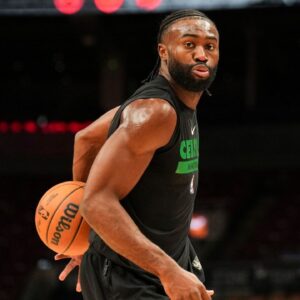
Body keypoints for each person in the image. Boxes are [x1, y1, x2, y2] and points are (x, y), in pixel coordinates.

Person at [55, 9, 219, 300]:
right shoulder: (156, 112)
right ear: (164, 51)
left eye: (210, 45)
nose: (202, 54)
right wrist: (89, 235)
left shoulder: (178, 104)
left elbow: (88, 138)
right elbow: (95, 202)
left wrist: (89, 238)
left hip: (162, 263)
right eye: (190, 44)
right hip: (128, 276)